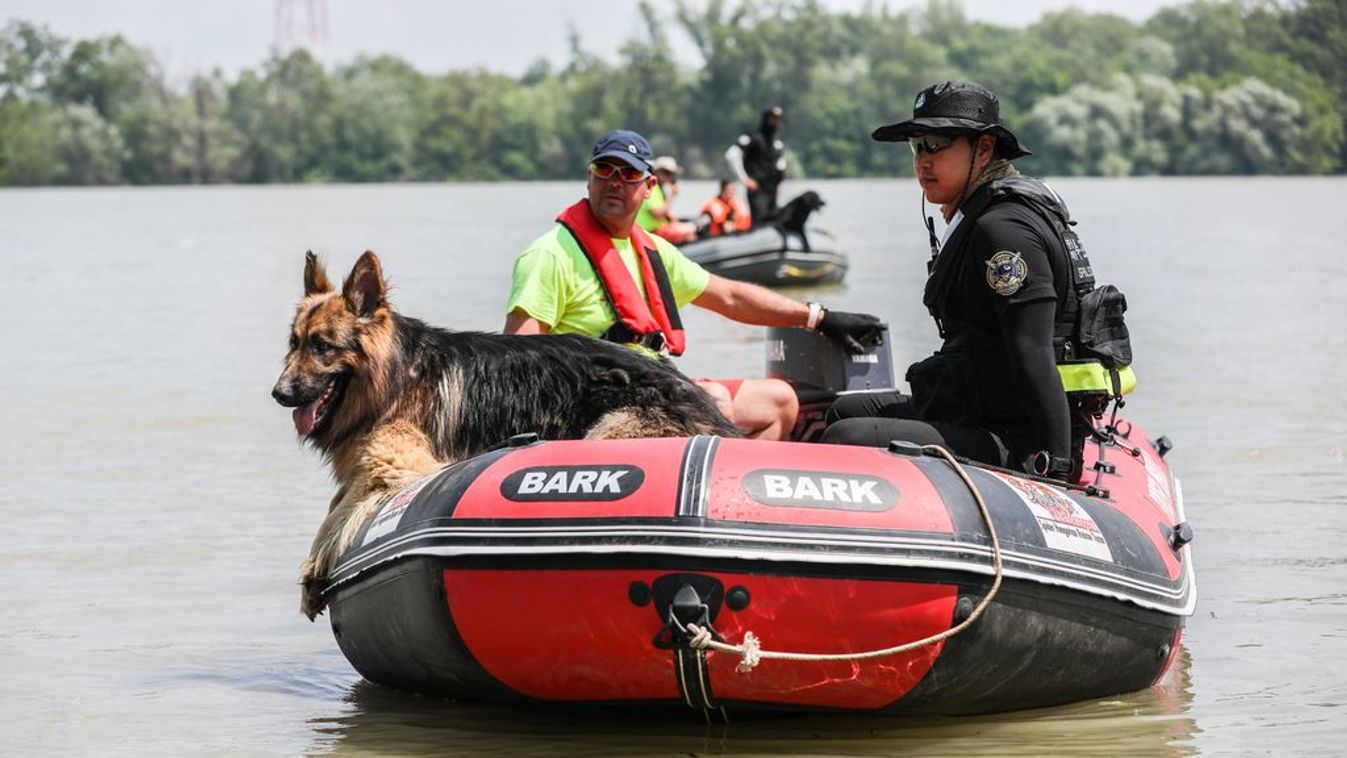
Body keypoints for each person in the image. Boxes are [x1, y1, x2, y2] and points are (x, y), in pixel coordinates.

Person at [823, 81, 1132, 480]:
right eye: (917, 145)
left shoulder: (1003, 228)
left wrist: (1058, 465)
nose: (922, 160)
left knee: (847, 435)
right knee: (844, 409)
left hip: (1017, 435)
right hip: (979, 408)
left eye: (937, 143)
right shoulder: (981, 215)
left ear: (983, 149)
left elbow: (1032, 350)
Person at [505, 129, 883, 440]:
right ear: (589, 176)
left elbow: (731, 297)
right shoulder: (550, 255)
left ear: (649, 185)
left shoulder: (652, 252)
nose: (616, 183)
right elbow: (519, 361)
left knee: (779, 402)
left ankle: (732, 507)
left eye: (629, 174)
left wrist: (817, 317)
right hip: (593, 402)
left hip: (653, 386)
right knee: (714, 401)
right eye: (606, 170)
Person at [725, 106, 786, 226]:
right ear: (766, 119)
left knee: (772, 221)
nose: (776, 122)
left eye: (778, 119)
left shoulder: (776, 143)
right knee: (760, 221)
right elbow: (732, 154)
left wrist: (779, 184)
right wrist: (744, 179)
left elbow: (780, 165)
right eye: (773, 119)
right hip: (757, 190)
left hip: (771, 191)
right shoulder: (753, 137)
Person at [636, 156, 699, 244]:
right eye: (667, 173)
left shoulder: (659, 189)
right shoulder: (651, 187)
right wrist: (673, 196)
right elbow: (657, 213)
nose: (670, 177)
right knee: (690, 232)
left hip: (657, 228)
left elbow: (663, 211)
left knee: (690, 225)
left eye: (672, 174)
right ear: (658, 172)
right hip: (650, 231)